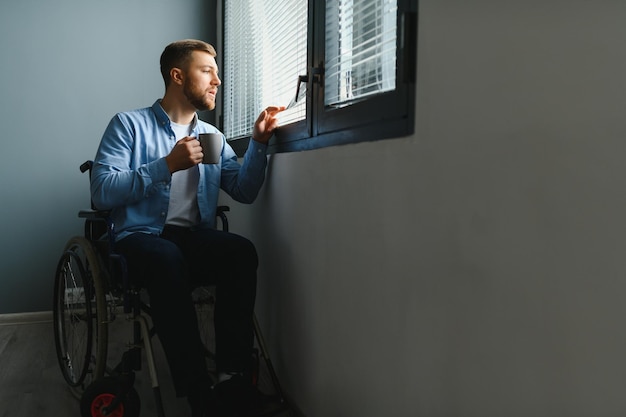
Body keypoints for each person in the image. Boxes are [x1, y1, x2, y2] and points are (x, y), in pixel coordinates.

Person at [90, 39, 284, 417]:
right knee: (165, 257)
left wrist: (259, 142)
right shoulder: (129, 125)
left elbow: (243, 190)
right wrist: (166, 165)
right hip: (140, 239)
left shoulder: (212, 137)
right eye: (207, 71)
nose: (217, 81)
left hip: (190, 239)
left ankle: (232, 378)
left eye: (217, 72)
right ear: (177, 76)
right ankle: (198, 392)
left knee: (240, 252)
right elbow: (101, 192)